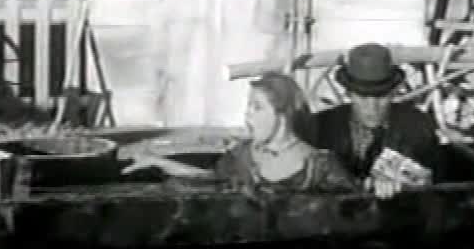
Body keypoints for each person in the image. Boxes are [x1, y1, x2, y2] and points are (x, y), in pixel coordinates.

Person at [123, 71, 357, 194]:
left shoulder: (320, 165)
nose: (247, 115)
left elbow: (356, 211)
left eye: (257, 107)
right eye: (248, 107)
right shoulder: (242, 156)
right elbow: (209, 181)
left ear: (282, 115)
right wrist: (160, 162)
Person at [311, 43, 447, 199]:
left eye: (381, 97)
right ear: (349, 94)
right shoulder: (321, 127)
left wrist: (412, 183)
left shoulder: (419, 125)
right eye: (363, 97)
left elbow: (435, 181)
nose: (372, 107)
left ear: (393, 93)